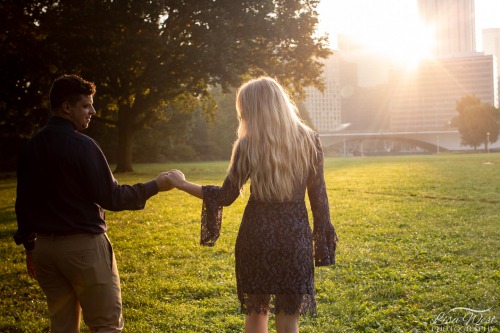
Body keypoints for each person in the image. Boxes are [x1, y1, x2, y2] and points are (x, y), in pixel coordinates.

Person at [164, 76, 338, 333]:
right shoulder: (309, 140)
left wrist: (182, 183)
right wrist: (321, 242)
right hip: (294, 238)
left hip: (257, 237)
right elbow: (319, 198)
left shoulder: (248, 145)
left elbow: (225, 196)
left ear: (251, 110)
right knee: (289, 319)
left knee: (257, 314)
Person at [14, 74, 172, 333]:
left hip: (45, 253)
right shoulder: (83, 146)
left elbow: (24, 203)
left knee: (62, 328)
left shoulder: (31, 147)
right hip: (83, 250)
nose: (93, 111)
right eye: (86, 105)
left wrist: (30, 247)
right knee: (106, 325)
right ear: (67, 107)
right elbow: (112, 197)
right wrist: (156, 185)